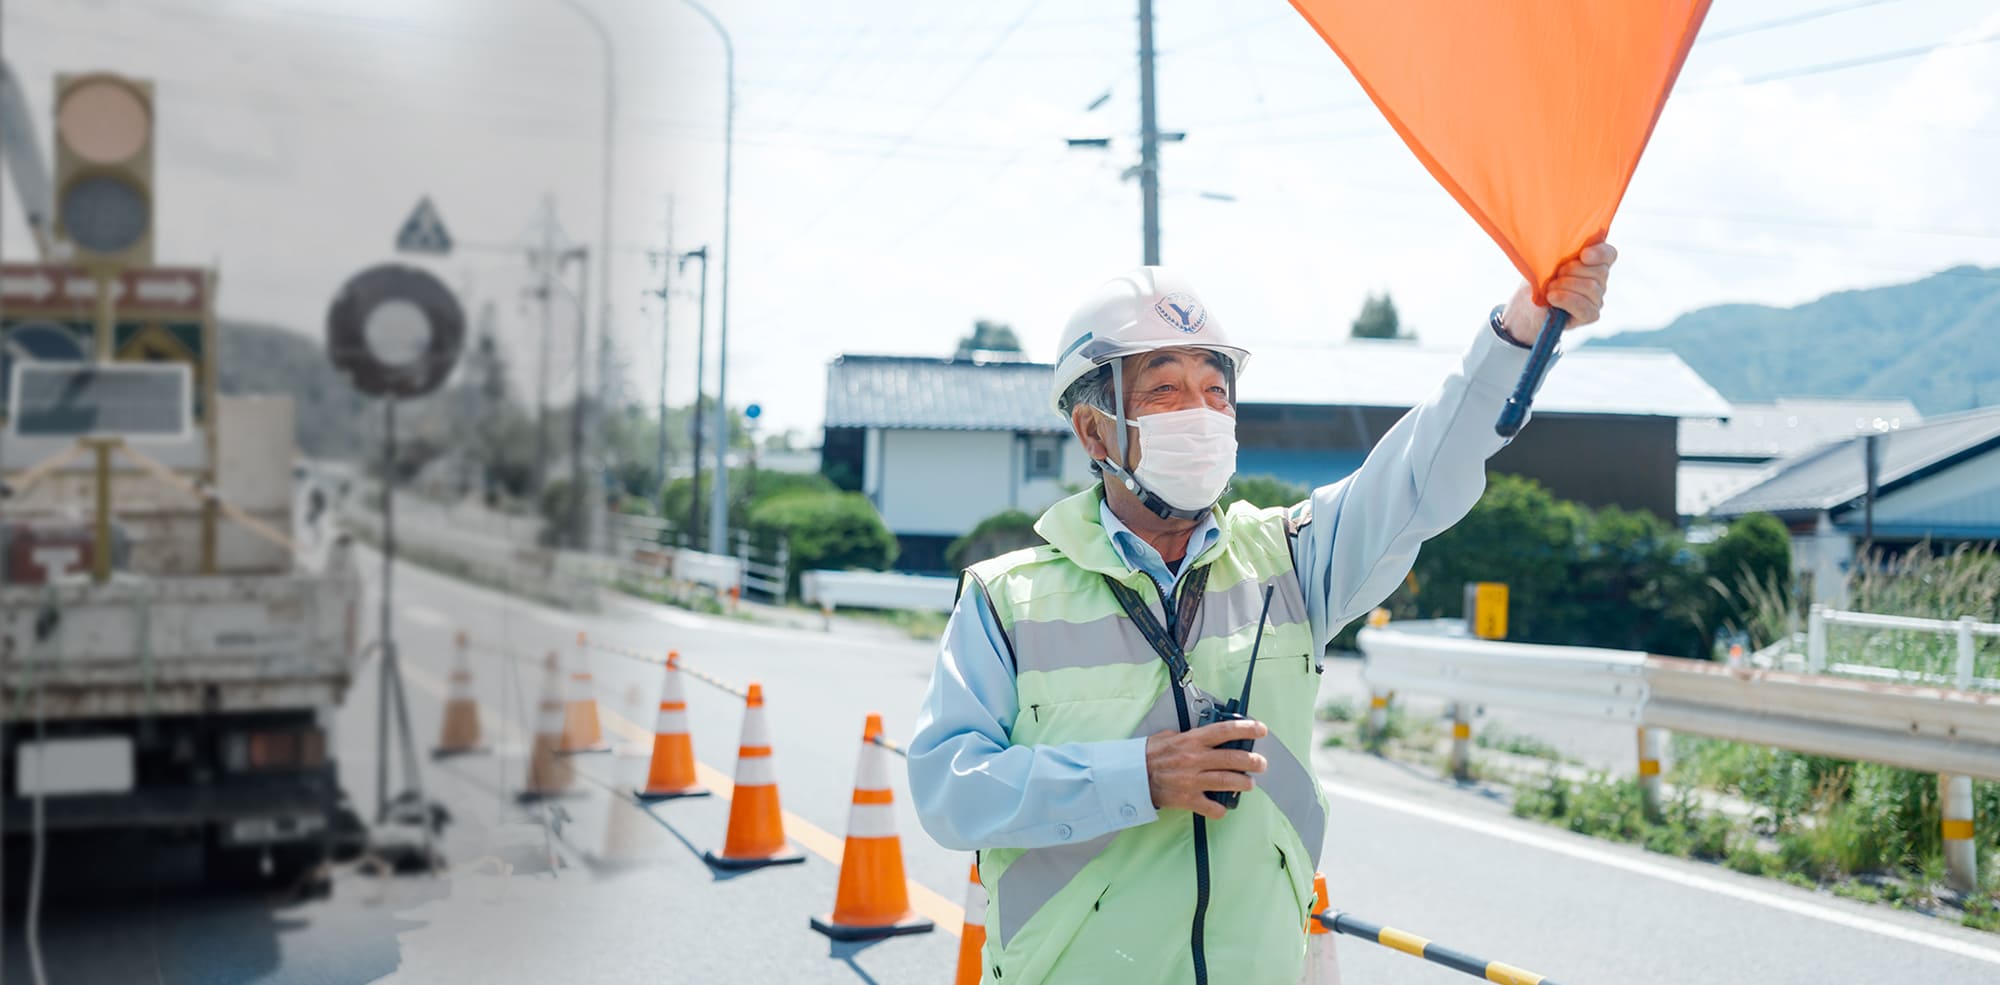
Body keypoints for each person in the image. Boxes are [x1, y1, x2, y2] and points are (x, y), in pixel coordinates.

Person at [908, 246, 1616, 985]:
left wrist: (1519, 331)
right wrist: (1136, 775)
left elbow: (1420, 469)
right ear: (1094, 432)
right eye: (1167, 390)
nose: (1203, 412)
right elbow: (950, 788)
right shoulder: (1006, 598)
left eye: (1217, 389)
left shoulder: (1290, 560)